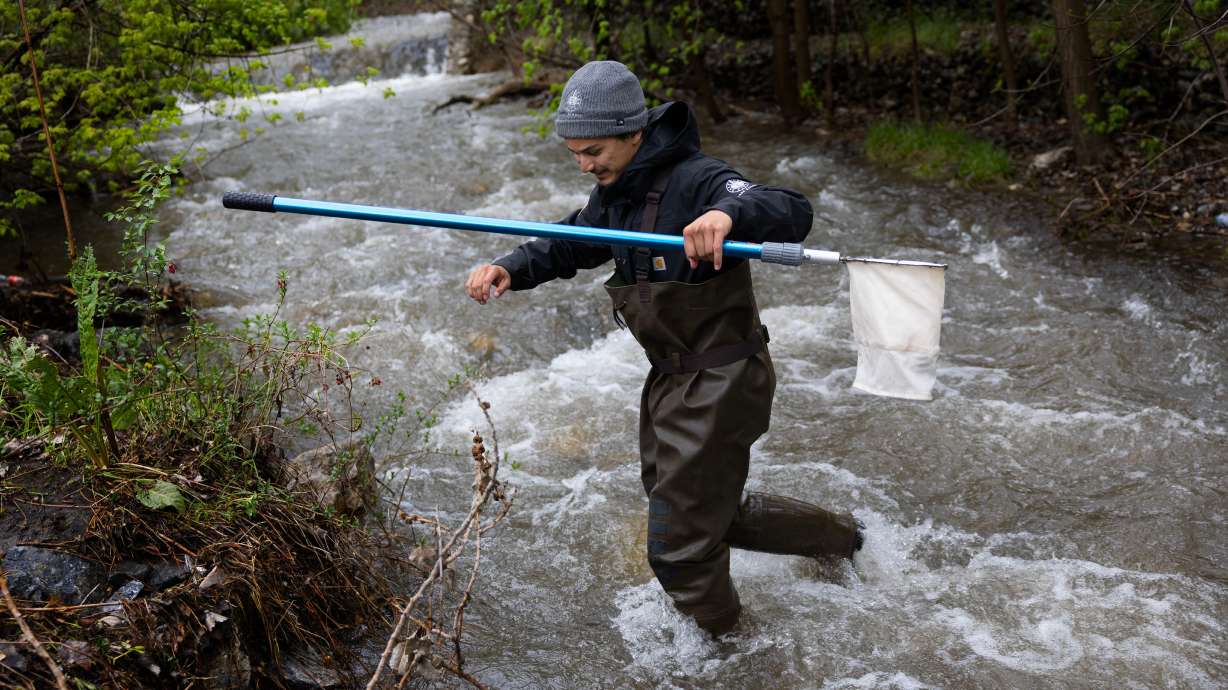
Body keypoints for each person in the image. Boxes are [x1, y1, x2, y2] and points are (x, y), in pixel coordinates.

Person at [465, 61, 862, 636]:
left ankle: (732, 649)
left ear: (634, 133)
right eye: (575, 153)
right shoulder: (613, 194)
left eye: (594, 150)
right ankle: (846, 540)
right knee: (699, 515)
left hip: (723, 377)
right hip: (671, 380)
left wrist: (728, 215)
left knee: (676, 546)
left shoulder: (700, 178)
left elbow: (789, 209)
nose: (584, 164)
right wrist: (509, 267)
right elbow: (571, 243)